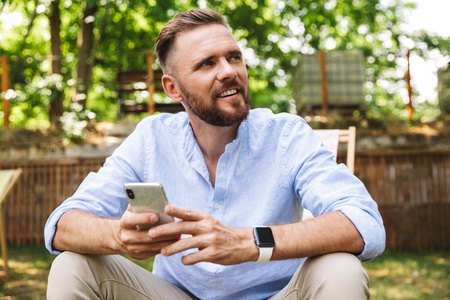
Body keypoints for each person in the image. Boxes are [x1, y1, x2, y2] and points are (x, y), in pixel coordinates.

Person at [45, 8, 385, 300]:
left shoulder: (287, 135)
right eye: (207, 63)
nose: (228, 71)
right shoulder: (152, 137)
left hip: (279, 293)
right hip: (174, 294)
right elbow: (62, 226)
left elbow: (363, 223)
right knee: (72, 265)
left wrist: (250, 241)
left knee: (341, 268)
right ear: (172, 88)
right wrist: (117, 235)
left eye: (233, 57)